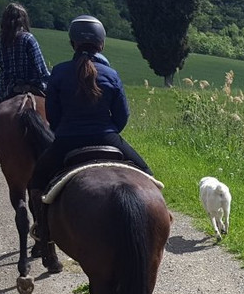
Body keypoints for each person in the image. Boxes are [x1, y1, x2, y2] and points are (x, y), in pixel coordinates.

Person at [29, 15, 153, 244]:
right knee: (148, 174)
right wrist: (108, 132)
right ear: (102, 44)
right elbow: (122, 116)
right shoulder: (112, 74)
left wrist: (64, 132)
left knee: (36, 183)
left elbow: (53, 116)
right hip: (107, 137)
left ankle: (42, 230)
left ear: (72, 43)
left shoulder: (59, 72)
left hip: (67, 141)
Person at [0, 3, 50, 156]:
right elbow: (40, 68)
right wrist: (50, 81)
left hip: (6, 88)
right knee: (58, 110)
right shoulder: (28, 39)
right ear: (23, 20)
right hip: (32, 86)